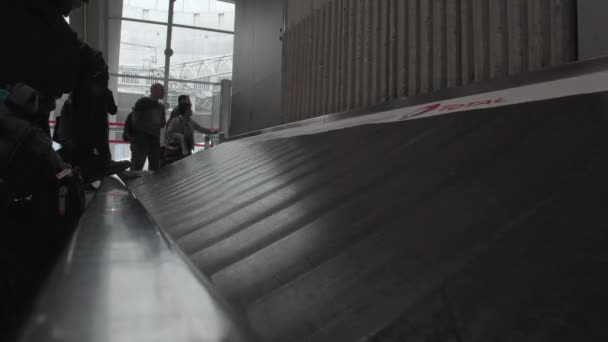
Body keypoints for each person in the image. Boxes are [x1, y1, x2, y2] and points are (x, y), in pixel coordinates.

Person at [163, 95, 217, 165]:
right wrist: (180, 137)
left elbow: (199, 128)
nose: (192, 111)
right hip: (175, 152)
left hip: (186, 149)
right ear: (185, 110)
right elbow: (169, 132)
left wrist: (210, 132)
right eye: (190, 109)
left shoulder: (189, 121)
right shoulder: (176, 120)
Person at [124, 83, 167, 171]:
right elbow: (134, 121)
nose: (163, 92)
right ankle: (134, 184)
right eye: (161, 89)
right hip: (141, 140)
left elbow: (162, 123)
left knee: (154, 168)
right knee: (137, 166)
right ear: (154, 90)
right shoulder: (142, 102)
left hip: (153, 140)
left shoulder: (161, 107)